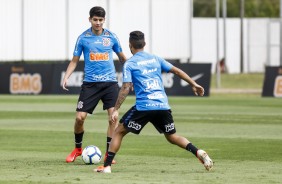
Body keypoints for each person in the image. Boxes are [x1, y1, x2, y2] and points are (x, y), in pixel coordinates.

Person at [94, 31, 213, 173]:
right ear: (144, 44)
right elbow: (177, 71)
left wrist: (116, 109)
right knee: (172, 137)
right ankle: (198, 152)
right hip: (163, 105)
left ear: (130, 45)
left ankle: (107, 166)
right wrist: (194, 84)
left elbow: (125, 88)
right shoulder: (155, 59)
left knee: (119, 132)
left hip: (144, 107)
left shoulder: (130, 64)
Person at [62, 6, 127, 163]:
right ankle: (78, 149)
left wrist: (133, 73)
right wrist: (66, 76)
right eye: (95, 20)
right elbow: (74, 60)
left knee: (113, 119)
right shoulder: (83, 38)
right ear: (89, 19)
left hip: (110, 84)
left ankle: (108, 155)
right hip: (90, 84)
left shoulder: (112, 37)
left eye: (100, 20)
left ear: (104, 20)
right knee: (79, 118)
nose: (98, 23)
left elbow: (123, 58)